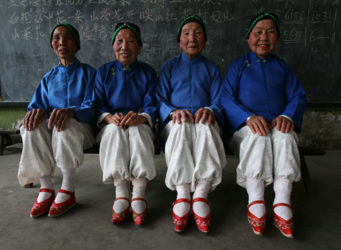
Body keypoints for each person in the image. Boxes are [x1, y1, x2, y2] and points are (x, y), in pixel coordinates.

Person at [220, 12, 306, 238]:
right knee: (258, 137)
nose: (264, 37)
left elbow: (297, 96)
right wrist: (248, 118)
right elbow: (226, 98)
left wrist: (287, 116)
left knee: (285, 137)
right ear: (248, 38)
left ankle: (282, 200)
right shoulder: (237, 66)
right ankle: (256, 198)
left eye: (270, 32)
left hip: (278, 125)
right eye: (258, 32)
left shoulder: (284, 68)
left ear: (277, 37)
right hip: (245, 128)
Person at [156, 15, 227, 233]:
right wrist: (173, 112)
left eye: (198, 33)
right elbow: (159, 99)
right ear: (179, 40)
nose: (192, 38)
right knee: (181, 127)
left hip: (204, 121)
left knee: (205, 129)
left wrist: (211, 110)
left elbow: (219, 100)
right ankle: (183, 193)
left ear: (204, 40)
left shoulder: (212, 69)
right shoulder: (168, 68)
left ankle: (202, 193)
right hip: (176, 122)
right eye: (186, 33)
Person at [18, 23, 96, 218]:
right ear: (52, 45)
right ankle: (46, 187)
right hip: (52, 130)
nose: (61, 43)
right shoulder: (48, 78)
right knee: (30, 126)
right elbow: (37, 106)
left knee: (64, 123)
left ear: (76, 44)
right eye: (56, 38)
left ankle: (67, 189)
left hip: (81, 131)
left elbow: (93, 106)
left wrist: (71, 111)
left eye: (67, 38)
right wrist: (36, 113)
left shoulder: (89, 74)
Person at [95, 23, 157, 226]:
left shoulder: (148, 73)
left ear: (139, 47)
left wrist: (142, 116)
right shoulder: (103, 72)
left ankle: (139, 191)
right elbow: (97, 103)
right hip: (112, 123)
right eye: (119, 41)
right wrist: (107, 117)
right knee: (114, 131)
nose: (125, 46)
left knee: (138, 130)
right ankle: (121, 191)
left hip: (139, 121)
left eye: (131, 41)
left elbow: (152, 103)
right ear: (113, 45)